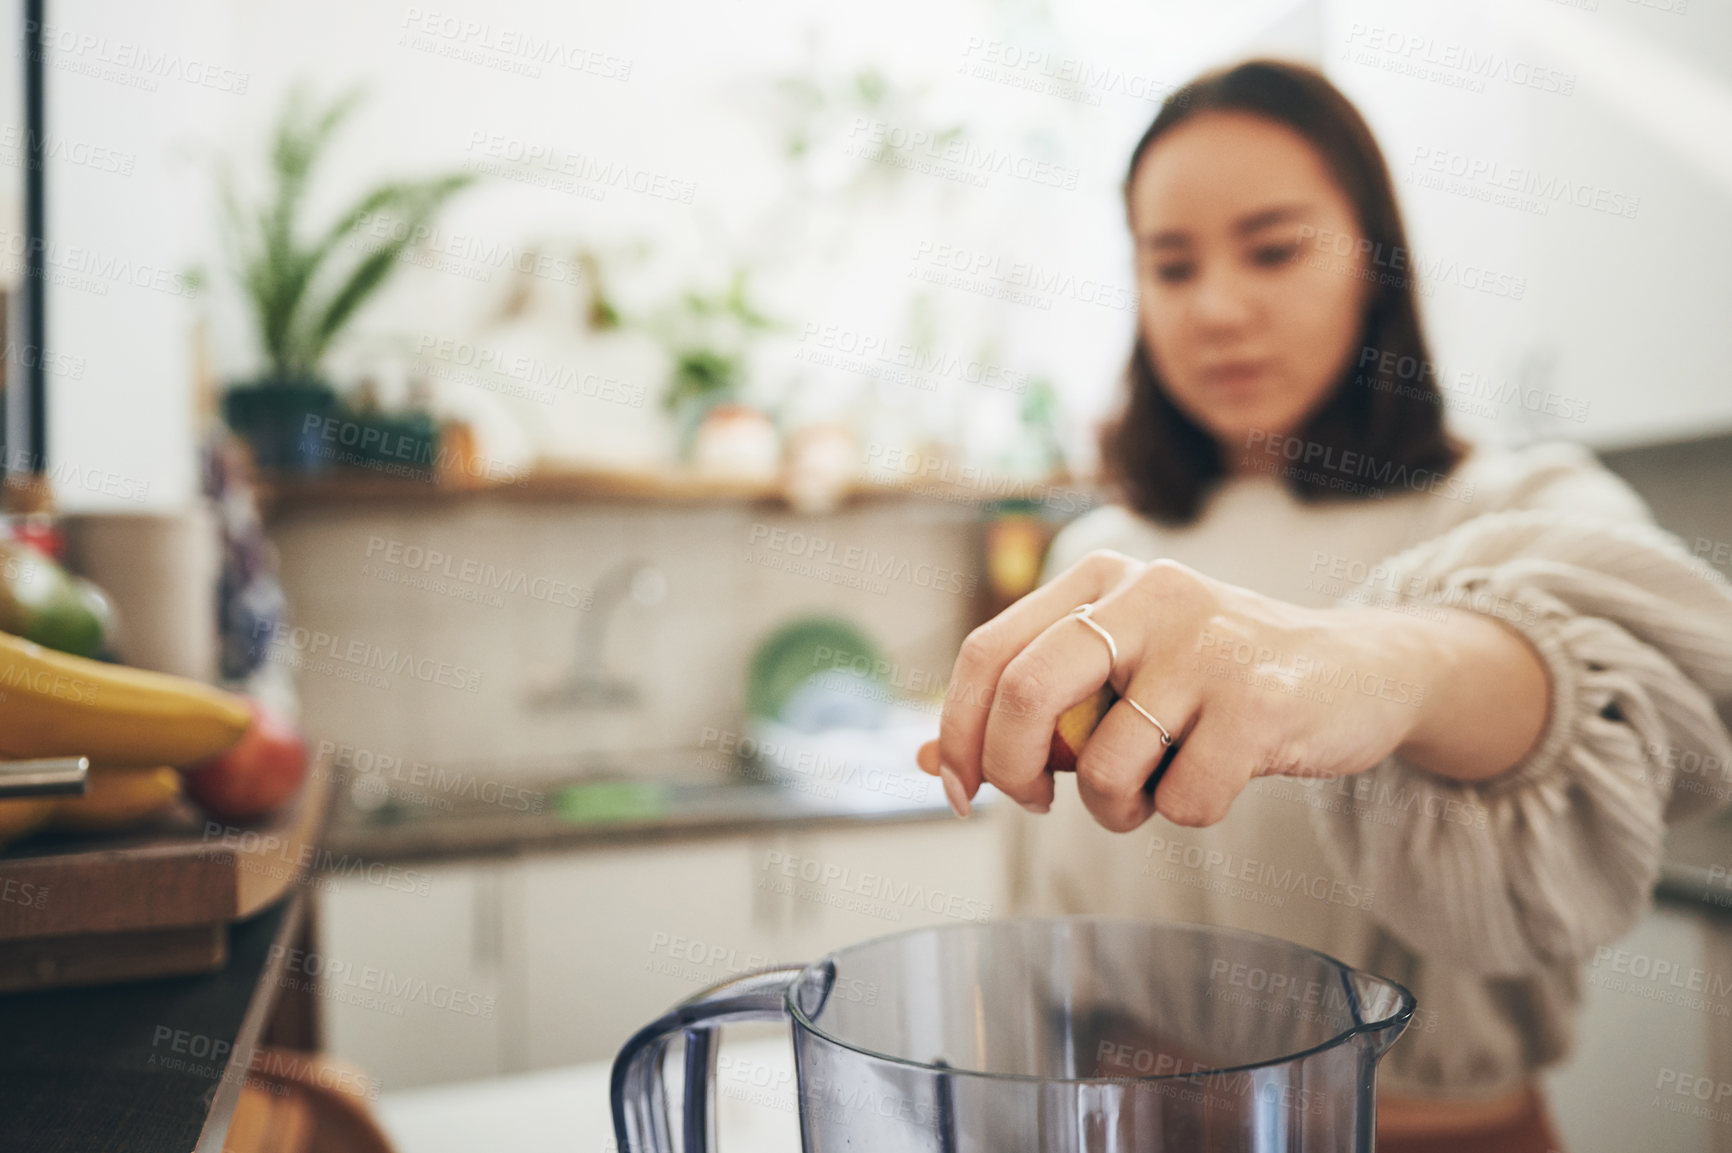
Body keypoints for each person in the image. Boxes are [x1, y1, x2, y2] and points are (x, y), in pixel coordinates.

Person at [916, 59, 1732, 1153]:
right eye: (1170, 265)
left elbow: (1665, 688)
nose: (1216, 307)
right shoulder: (1101, 558)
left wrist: (1380, 668)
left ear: (1375, 260)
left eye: (1272, 248)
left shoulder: (1518, 505)